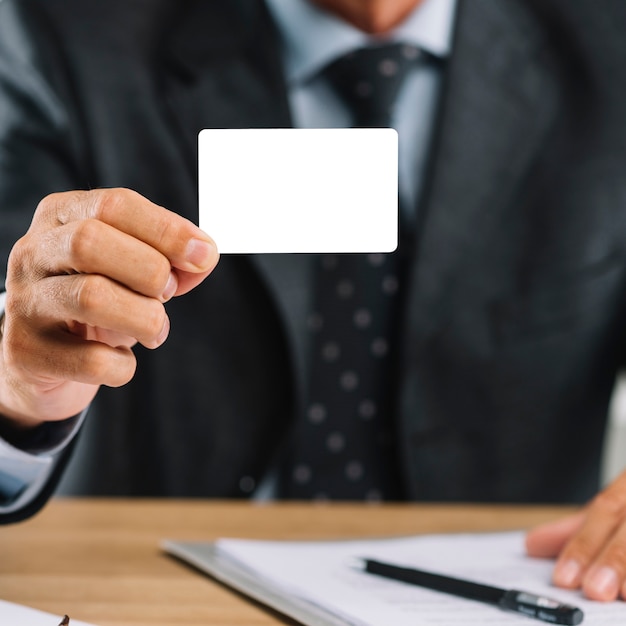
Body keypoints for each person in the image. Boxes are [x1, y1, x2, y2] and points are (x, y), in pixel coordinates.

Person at [1, 0, 626, 602]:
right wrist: (19, 386)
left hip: (508, 590)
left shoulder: (608, 44)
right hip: (158, 591)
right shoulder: (64, 33)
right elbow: (18, 318)